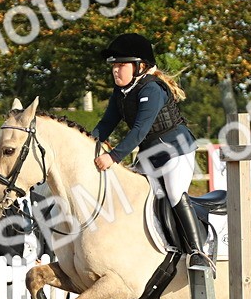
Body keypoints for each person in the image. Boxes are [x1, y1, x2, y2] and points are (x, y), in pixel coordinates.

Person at [90, 32, 212, 272]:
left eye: (121, 65)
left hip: (176, 150)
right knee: (130, 192)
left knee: (175, 193)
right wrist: (88, 145)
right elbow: (105, 125)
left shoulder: (153, 89)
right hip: (150, 153)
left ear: (140, 66)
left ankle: (199, 252)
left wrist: (113, 157)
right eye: (114, 66)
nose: (116, 70)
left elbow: (138, 130)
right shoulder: (121, 93)